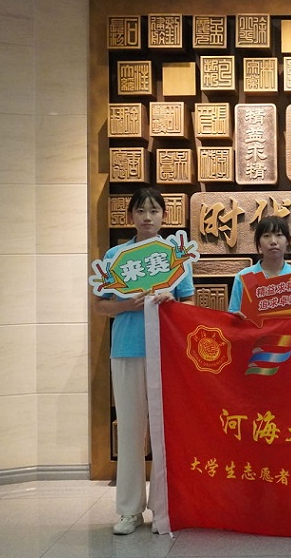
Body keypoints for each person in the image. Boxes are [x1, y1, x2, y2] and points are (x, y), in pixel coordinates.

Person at [94, 187, 195, 535]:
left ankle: (163, 510)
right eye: (140, 211)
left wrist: (172, 302)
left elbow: (190, 304)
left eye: (154, 211)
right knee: (131, 432)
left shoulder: (175, 255)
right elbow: (100, 306)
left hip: (166, 353)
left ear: (164, 216)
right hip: (126, 350)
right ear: (130, 217)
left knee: (164, 432)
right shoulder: (115, 256)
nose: (147, 217)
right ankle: (129, 511)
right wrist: (125, 305)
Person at [229, 215, 291, 318]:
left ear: (288, 241)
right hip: (254, 329)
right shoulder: (244, 277)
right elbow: (233, 315)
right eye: (266, 236)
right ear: (258, 243)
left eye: (279, 235)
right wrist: (235, 318)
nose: (273, 241)